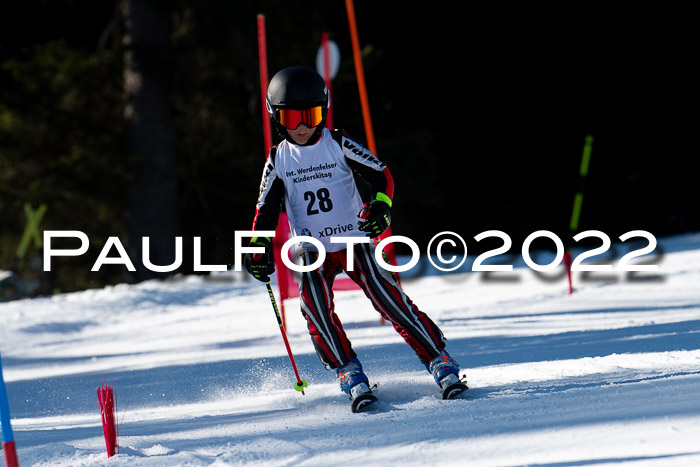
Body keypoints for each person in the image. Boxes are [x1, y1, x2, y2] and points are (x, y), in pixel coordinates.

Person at [244, 66, 467, 410]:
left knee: (388, 298)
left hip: (354, 242)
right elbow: (266, 209)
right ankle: (348, 371)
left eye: (311, 115)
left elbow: (382, 176)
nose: (302, 127)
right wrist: (257, 245)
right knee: (314, 308)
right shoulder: (278, 159)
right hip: (312, 252)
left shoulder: (338, 142)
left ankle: (439, 361)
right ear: (277, 117)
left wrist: (381, 207)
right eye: (292, 118)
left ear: (324, 111)